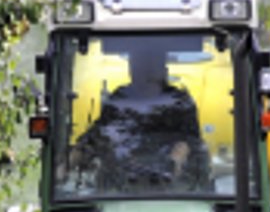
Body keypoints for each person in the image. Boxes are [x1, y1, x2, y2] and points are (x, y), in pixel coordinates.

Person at [77, 44, 210, 192]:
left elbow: (191, 140)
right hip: (122, 183)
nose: (143, 72)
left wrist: (177, 159)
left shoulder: (180, 102)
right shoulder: (120, 99)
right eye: (137, 65)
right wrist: (75, 154)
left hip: (172, 185)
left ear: (162, 69)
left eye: (148, 66)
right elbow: (100, 133)